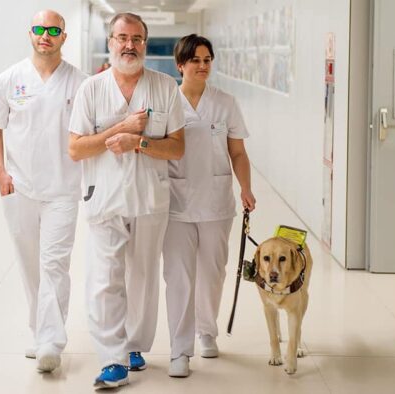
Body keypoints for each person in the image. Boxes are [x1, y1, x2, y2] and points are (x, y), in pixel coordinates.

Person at [68, 13, 185, 389]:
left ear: (145, 44)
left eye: (136, 38)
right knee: (105, 278)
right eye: (121, 37)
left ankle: (135, 345)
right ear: (111, 41)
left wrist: (140, 142)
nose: (128, 45)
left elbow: (178, 148)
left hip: (150, 197)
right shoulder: (91, 89)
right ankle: (112, 358)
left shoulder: (166, 88)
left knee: (143, 277)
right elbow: (75, 149)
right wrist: (119, 130)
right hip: (104, 197)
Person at [0, 10, 87, 373]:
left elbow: (89, 135)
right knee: (30, 265)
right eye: (40, 29)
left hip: (63, 189)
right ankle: (39, 329)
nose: (46, 35)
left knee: (54, 264)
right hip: (20, 187)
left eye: (53, 30)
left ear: (63, 37)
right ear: (30, 34)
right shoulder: (8, 79)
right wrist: (0, 172)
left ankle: (51, 343)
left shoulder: (79, 82)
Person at [162, 34, 256, 377]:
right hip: (175, 202)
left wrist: (246, 188)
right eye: (196, 60)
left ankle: (207, 331)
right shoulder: (167, 100)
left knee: (213, 272)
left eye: (207, 60)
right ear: (181, 65)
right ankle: (179, 348)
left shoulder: (226, 102)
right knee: (178, 276)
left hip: (217, 202)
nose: (203, 66)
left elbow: (238, 153)